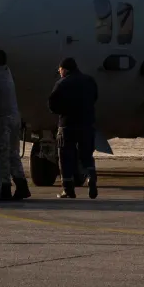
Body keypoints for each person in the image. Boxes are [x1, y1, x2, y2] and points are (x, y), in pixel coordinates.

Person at [47, 57, 99, 199]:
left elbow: (52, 104)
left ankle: (68, 189)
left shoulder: (62, 83)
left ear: (64, 69)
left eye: (60, 70)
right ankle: (91, 175)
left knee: (66, 157)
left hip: (67, 125)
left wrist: (63, 110)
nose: (59, 72)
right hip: (87, 124)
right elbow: (95, 97)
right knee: (86, 155)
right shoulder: (89, 81)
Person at [0, 49, 30, 201]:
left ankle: (5, 188)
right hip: (15, 117)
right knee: (13, 154)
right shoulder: (6, 71)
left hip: (3, 119)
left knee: (1, 155)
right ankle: (22, 185)